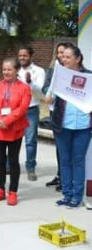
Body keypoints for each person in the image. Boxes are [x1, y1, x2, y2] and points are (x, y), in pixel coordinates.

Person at [49, 46, 92, 209]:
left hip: (83, 126)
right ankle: (67, 195)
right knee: (65, 161)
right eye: (62, 57)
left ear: (78, 58)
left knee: (78, 161)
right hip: (62, 125)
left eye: (67, 57)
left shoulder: (89, 77)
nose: (63, 59)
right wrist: (49, 94)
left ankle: (77, 196)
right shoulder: (59, 76)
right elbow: (50, 96)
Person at [0, 58, 31, 206]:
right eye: (4, 69)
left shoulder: (24, 88)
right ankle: (0, 189)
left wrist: (7, 120)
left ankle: (13, 191)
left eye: (9, 69)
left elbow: (22, 108)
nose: (6, 72)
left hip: (15, 129)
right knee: (0, 160)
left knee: (13, 161)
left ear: (16, 70)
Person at [42, 42, 74, 192]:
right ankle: (60, 175)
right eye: (59, 53)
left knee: (69, 148)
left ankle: (68, 178)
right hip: (54, 111)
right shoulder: (53, 69)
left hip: (68, 112)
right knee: (59, 147)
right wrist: (50, 93)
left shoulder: (73, 71)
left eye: (64, 53)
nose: (61, 56)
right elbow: (45, 86)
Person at [17, 46, 45, 181]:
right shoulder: (15, 70)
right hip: (15, 110)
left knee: (30, 141)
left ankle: (30, 168)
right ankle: (10, 165)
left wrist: (30, 82)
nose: (22, 58)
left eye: (25, 55)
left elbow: (41, 94)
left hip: (31, 110)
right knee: (12, 139)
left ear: (31, 56)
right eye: (20, 55)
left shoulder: (39, 71)